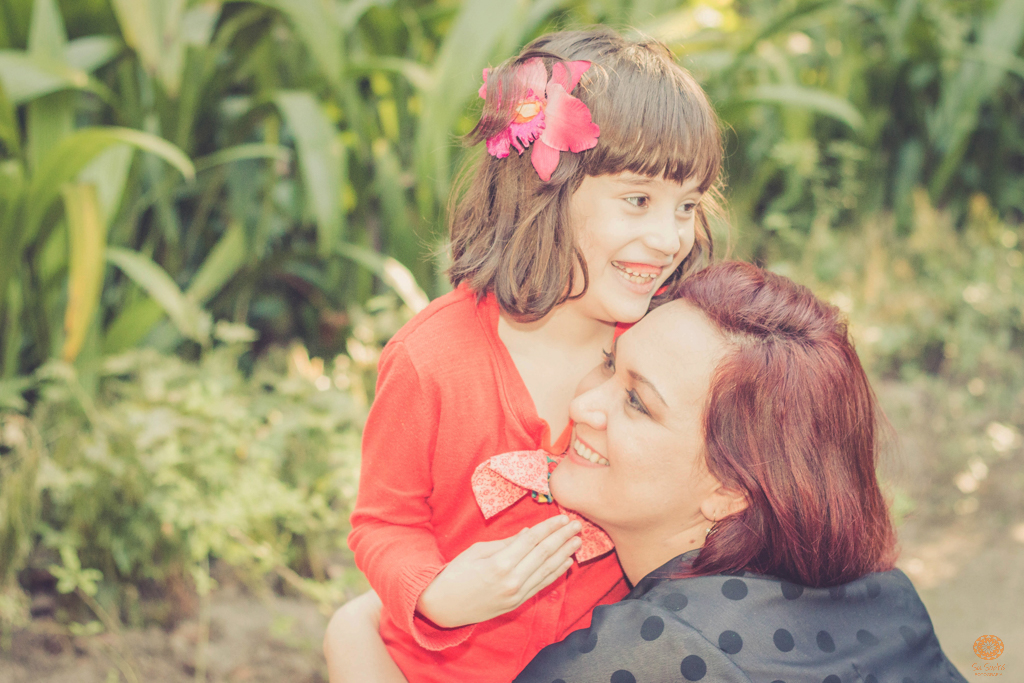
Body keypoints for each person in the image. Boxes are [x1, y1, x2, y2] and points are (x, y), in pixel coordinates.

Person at [328, 262, 966, 683]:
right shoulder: (886, 596)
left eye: (637, 401)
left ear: (728, 491)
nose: (582, 406)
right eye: (608, 364)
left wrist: (354, 634)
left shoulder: (639, 659)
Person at [346, 27, 724, 683]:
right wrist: (435, 593)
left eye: (686, 205)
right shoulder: (431, 359)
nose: (669, 238)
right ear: (541, 191)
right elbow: (385, 521)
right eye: (638, 200)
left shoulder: (660, 351)